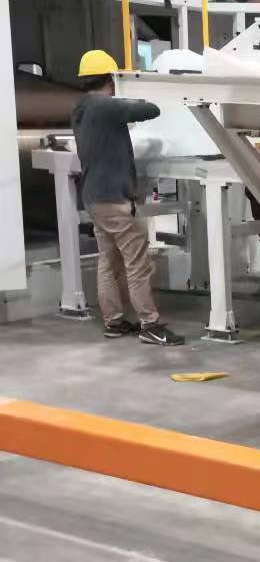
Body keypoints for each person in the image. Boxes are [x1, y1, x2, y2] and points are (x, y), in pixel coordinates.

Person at [71, 50, 184, 345]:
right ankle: (150, 324)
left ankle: (114, 321)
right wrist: (143, 88)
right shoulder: (105, 107)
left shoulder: (81, 108)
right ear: (111, 79)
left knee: (108, 261)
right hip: (113, 199)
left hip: (94, 197)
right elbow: (151, 110)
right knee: (138, 263)